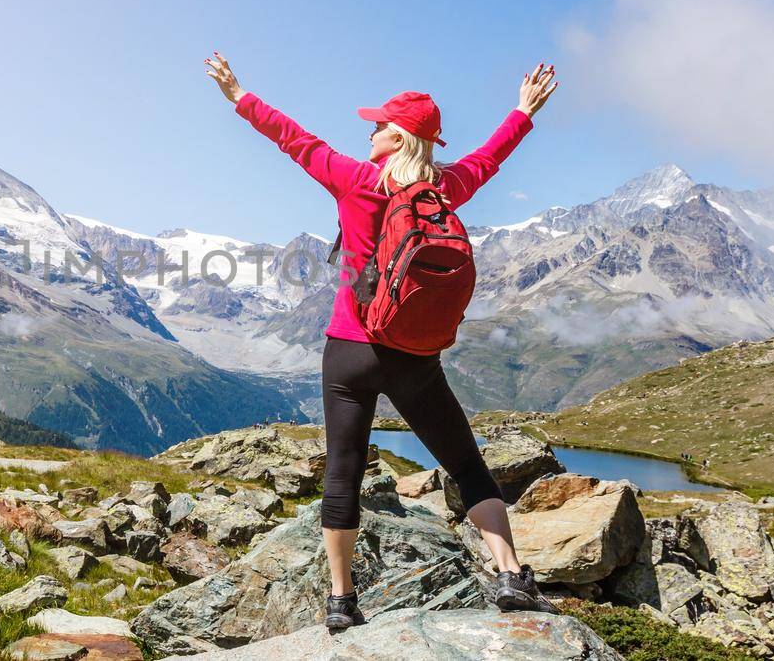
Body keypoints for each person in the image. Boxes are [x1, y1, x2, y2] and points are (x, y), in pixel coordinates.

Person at [204, 51, 560, 627]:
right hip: (414, 357)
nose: (368, 131)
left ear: (396, 136)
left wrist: (239, 95)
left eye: (376, 126)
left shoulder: (353, 179)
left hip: (348, 348)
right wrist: (521, 112)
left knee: (342, 471)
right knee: (468, 469)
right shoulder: (443, 188)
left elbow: (294, 139)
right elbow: (488, 160)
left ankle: (342, 602)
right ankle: (511, 575)